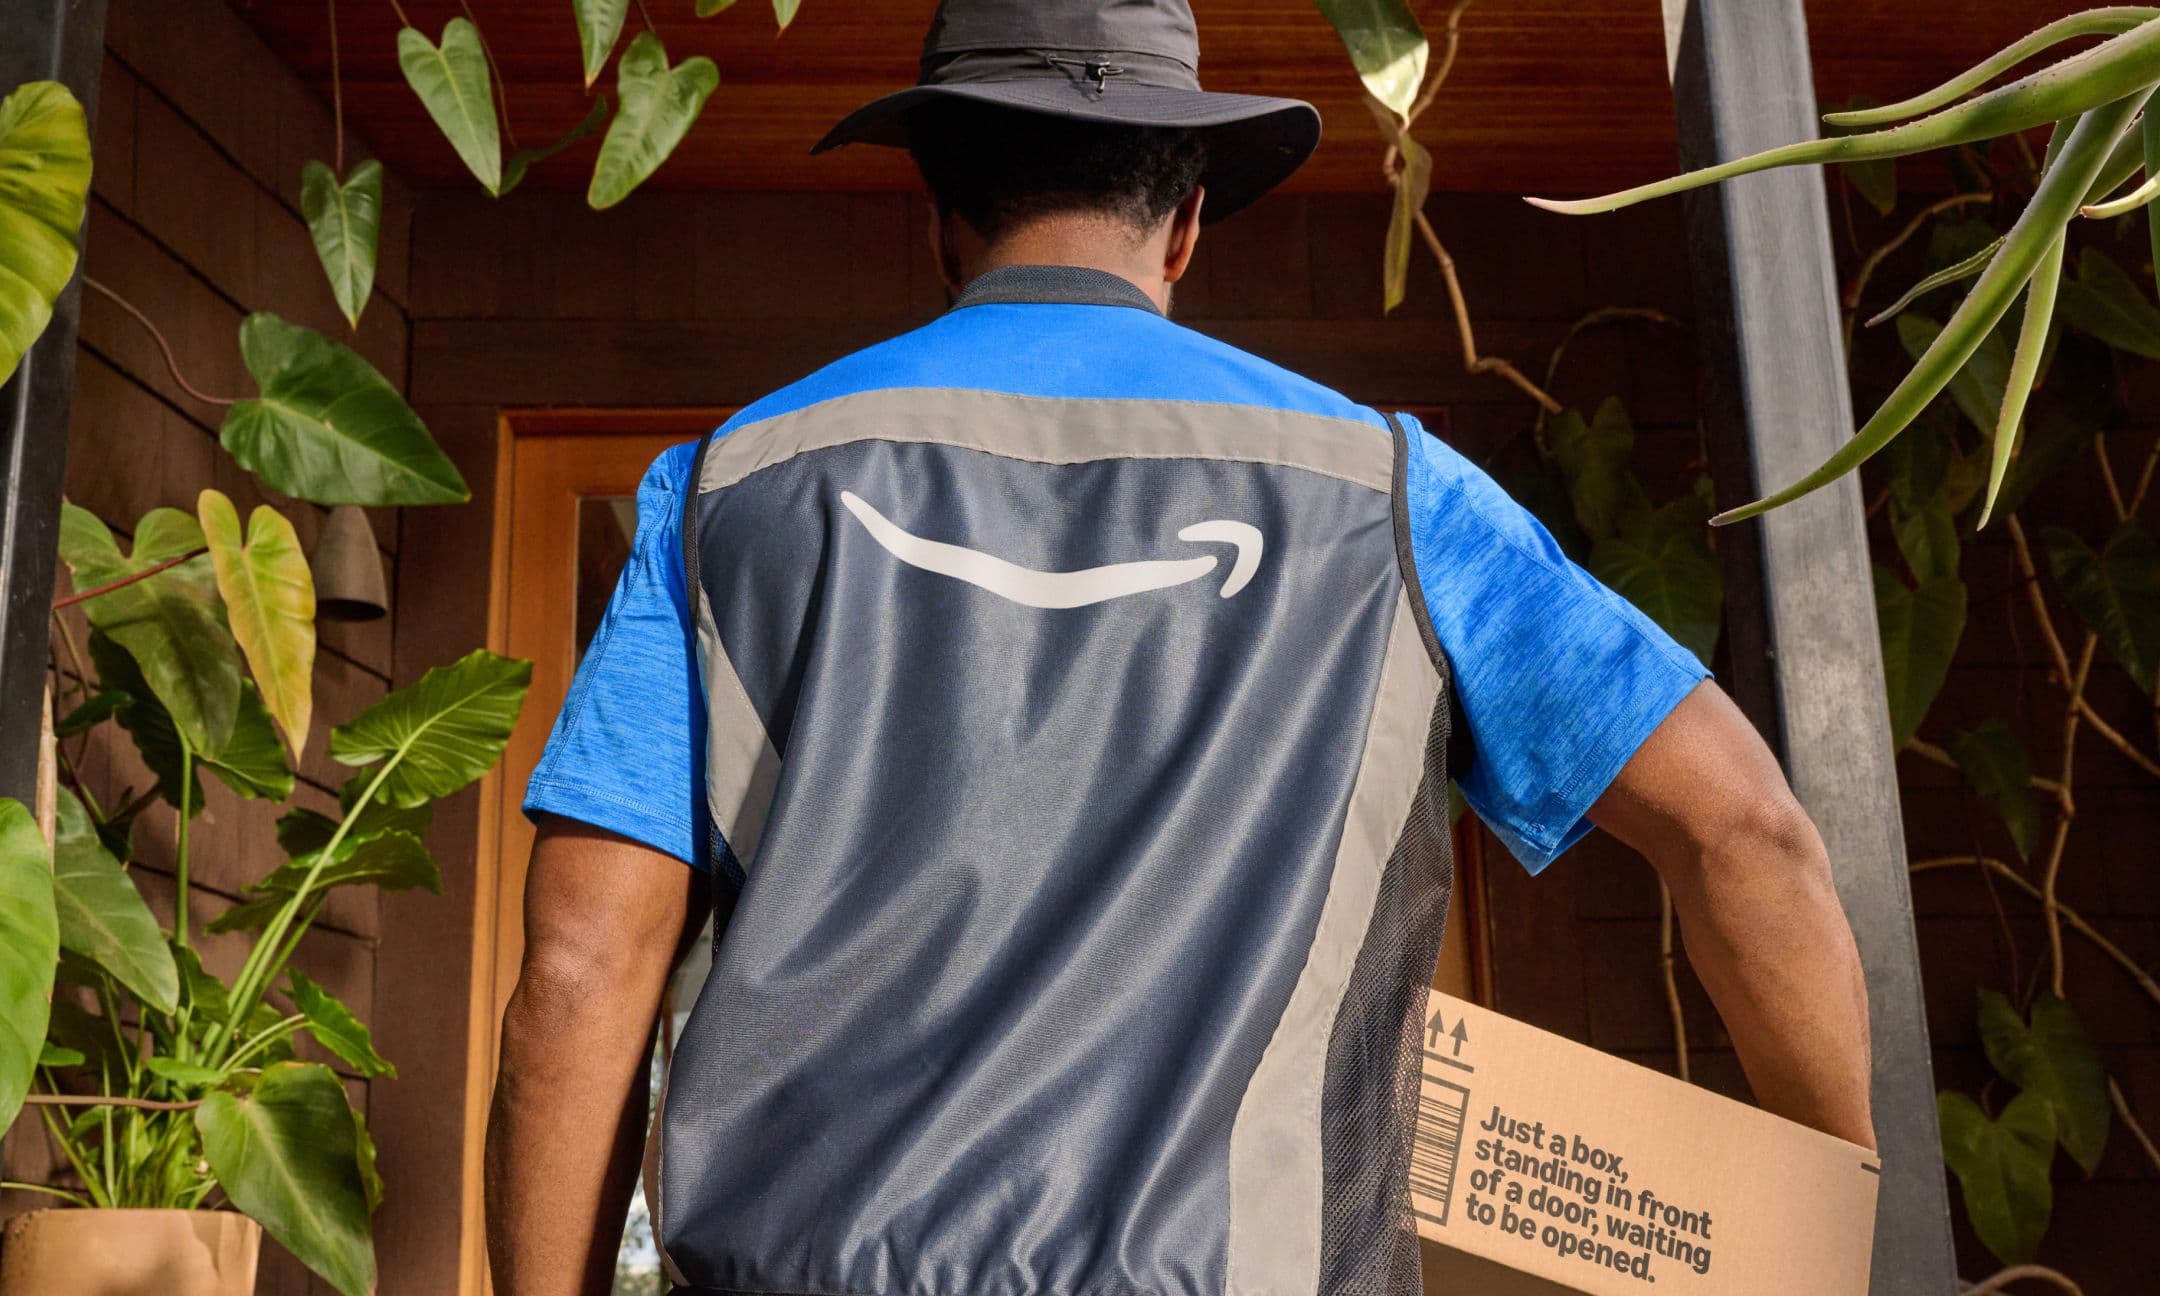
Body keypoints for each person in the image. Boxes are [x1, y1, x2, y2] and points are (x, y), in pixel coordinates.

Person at [484, 2, 1875, 1293]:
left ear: (942, 217)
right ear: (1189, 222)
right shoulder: (1395, 498)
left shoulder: (729, 490)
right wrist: (1836, 1217)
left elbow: (580, 969)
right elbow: (1745, 835)